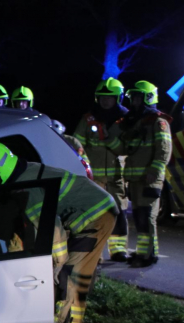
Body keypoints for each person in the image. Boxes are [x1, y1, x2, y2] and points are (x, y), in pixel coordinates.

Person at [0, 142, 118, 323]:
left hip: (97, 216)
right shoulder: (23, 173)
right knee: (66, 273)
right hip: (81, 212)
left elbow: (53, 235)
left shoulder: (28, 192)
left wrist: (55, 267)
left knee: (70, 278)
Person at [104, 80, 172, 267]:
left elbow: (164, 150)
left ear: (147, 98)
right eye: (132, 98)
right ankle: (142, 254)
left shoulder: (159, 122)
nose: (132, 102)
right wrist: (111, 134)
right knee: (141, 217)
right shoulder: (137, 122)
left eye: (136, 98)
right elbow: (124, 146)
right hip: (135, 180)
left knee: (147, 217)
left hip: (149, 179)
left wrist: (154, 171)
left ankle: (149, 256)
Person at [73, 78, 130, 261]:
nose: (106, 101)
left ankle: (118, 250)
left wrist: (110, 140)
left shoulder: (127, 119)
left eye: (110, 97)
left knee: (118, 212)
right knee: (95, 215)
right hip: (94, 176)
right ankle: (94, 253)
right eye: (103, 97)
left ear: (118, 98)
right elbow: (76, 143)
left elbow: (130, 147)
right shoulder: (88, 118)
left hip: (116, 176)